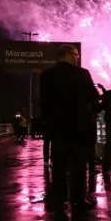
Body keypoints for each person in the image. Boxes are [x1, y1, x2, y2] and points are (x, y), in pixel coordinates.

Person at [40, 44, 99, 211]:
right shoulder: (82, 74)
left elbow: (44, 104)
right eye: (75, 54)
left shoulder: (47, 76)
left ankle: (59, 199)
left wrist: (47, 125)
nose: (77, 57)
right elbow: (93, 98)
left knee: (59, 164)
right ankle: (77, 200)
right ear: (68, 55)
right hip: (79, 127)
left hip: (58, 127)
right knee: (78, 165)